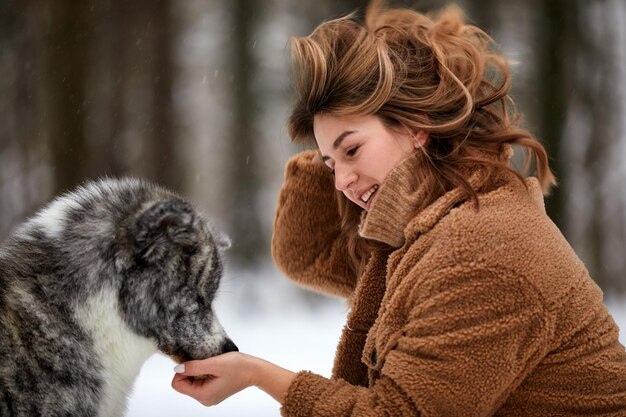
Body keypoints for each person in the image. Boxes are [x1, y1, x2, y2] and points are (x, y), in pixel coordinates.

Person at [171, 0, 626, 415]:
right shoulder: (425, 228)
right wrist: (335, 140)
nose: (341, 182)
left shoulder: (481, 248)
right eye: (330, 164)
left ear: (417, 127)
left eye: (352, 151)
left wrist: (256, 374)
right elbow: (306, 253)